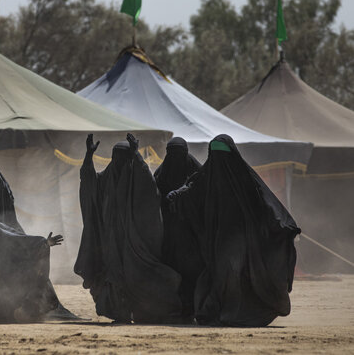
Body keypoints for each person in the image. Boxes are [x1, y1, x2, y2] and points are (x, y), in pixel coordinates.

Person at [167, 134, 301, 326]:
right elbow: (193, 188)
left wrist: (282, 226)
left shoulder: (244, 177)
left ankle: (236, 313)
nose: (219, 159)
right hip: (216, 234)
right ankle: (220, 311)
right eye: (215, 153)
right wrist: (178, 196)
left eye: (222, 153)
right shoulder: (209, 173)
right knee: (220, 273)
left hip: (243, 237)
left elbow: (266, 203)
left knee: (233, 271)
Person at [75, 133, 183, 324]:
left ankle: (143, 311)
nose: (119, 161)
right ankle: (119, 312)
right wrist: (88, 157)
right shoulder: (105, 179)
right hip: (110, 242)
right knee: (113, 276)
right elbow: (89, 183)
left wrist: (136, 156)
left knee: (136, 275)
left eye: (124, 157)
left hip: (134, 243)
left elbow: (150, 190)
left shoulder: (137, 178)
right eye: (116, 156)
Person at [153, 137, 203, 319]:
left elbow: (202, 191)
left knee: (193, 272)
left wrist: (184, 193)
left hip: (192, 234)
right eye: (172, 153)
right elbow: (151, 196)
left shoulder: (196, 173)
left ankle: (193, 309)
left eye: (179, 154)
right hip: (168, 234)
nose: (175, 158)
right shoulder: (161, 174)